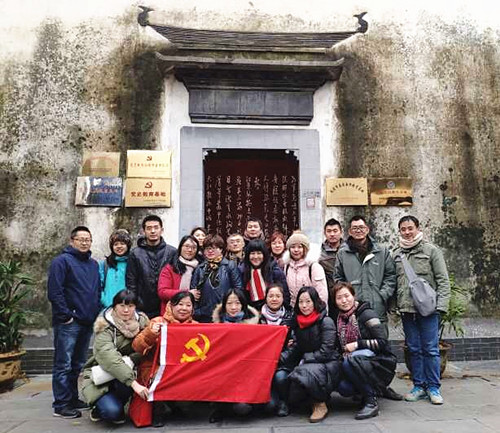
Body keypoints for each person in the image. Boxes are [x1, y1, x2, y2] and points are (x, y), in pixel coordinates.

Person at [334, 215, 401, 401]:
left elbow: (390, 276)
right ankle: (363, 388)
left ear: (367, 229)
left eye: (361, 227)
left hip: (376, 308)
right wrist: (347, 296)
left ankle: (383, 386)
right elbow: (338, 278)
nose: (358, 230)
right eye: (354, 228)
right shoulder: (343, 252)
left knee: (381, 350)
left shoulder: (381, 251)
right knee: (359, 352)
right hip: (353, 310)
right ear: (349, 231)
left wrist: (382, 295)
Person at [393, 215, 450, 405]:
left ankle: (433, 387)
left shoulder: (431, 250)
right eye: (403, 229)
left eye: (410, 228)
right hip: (407, 310)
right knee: (414, 349)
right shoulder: (396, 254)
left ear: (418, 228)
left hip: (429, 310)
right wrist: (394, 307)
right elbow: (394, 282)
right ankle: (418, 386)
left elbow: (443, 280)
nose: (407, 232)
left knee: (431, 349)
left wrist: (441, 307)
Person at [47, 226, 101, 418]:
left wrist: (94, 311)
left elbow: (95, 290)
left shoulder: (93, 264)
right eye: (81, 239)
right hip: (69, 322)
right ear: (72, 241)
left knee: (77, 364)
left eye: (88, 239)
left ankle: (72, 398)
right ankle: (61, 404)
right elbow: (55, 291)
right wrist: (66, 315)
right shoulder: (61, 261)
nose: (85, 242)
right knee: (64, 363)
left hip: (87, 321)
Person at [81, 290, 150, 424]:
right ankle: (98, 408)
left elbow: (147, 348)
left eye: (130, 306)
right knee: (112, 412)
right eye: (121, 306)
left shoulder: (142, 322)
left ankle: (119, 402)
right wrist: (134, 383)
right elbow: (110, 359)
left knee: (119, 406)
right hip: (103, 375)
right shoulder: (104, 327)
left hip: (127, 375)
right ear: (114, 306)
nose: (126, 310)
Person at [332, 282, 397, 420]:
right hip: (353, 362)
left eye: (346, 296)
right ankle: (374, 390)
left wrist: (357, 345)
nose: (344, 301)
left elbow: (382, 342)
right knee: (343, 387)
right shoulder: (337, 318)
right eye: (339, 298)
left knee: (350, 360)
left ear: (353, 296)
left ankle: (371, 400)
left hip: (378, 362)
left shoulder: (366, 313)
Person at [132, 291, 198, 427]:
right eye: (180, 304)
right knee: (161, 378)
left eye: (188, 305)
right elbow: (136, 346)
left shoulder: (196, 325)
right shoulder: (158, 322)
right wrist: (151, 334)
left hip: (183, 368)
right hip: (155, 367)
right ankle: (158, 410)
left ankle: (176, 406)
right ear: (171, 305)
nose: (184, 308)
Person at [280, 286, 340, 423]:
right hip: (309, 361)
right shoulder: (298, 322)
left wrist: (306, 358)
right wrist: (281, 358)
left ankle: (320, 403)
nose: (304, 305)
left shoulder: (326, 321)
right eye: (301, 302)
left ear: (315, 302)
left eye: (308, 301)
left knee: (304, 372)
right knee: (293, 388)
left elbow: (327, 351)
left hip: (328, 362)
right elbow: (297, 347)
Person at [210, 289, 260, 422]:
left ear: (243, 304)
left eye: (237, 303)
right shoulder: (215, 325)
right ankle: (219, 407)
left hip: (246, 373)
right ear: (224, 305)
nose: (233, 307)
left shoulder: (256, 325)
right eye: (229, 303)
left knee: (243, 408)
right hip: (223, 373)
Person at [126, 215, 176, 318]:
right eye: (149, 228)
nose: (153, 231)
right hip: (142, 307)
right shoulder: (135, 253)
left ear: (162, 230)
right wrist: (134, 303)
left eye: (156, 227)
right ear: (143, 231)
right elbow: (131, 282)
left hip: (166, 307)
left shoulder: (172, 252)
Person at [259, 284, 295, 417]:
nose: (274, 299)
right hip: (262, 363)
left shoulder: (291, 316)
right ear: (266, 298)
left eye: (278, 296)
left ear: (283, 298)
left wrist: (279, 358)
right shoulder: (257, 317)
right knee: (269, 406)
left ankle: (285, 402)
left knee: (280, 377)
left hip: (283, 362)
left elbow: (294, 345)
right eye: (271, 296)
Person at [190, 234, 243, 322]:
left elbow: (238, 289)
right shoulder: (200, 268)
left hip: (225, 314)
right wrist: (197, 311)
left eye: (214, 248)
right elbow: (194, 291)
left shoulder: (230, 266)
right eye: (207, 248)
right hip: (204, 314)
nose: (210, 251)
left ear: (221, 249)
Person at [239, 239, 290, 310]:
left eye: (259, 253)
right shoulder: (242, 271)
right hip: (251, 310)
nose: (256, 257)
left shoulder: (274, 270)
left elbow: (285, 294)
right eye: (252, 253)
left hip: (273, 310)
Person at [283, 231, 328, 308]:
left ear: (305, 249)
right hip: (293, 309)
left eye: (300, 247)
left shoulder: (313, 267)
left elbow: (322, 294)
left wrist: (320, 311)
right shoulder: (287, 266)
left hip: (311, 310)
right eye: (293, 247)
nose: (296, 250)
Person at [157, 235, 200, 315]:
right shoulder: (170, 268)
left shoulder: (201, 268)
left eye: (194, 247)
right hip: (171, 313)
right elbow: (163, 292)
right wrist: (187, 293)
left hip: (195, 314)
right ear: (180, 247)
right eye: (187, 246)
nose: (190, 250)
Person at [99, 229, 132, 308]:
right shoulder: (104, 264)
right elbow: (98, 286)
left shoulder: (132, 263)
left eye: (122, 243)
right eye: (116, 244)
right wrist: (105, 301)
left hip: (127, 308)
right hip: (107, 307)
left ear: (128, 245)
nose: (119, 246)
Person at [318, 218, 343, 306]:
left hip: (346, 293)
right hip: (329, 295)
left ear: (341, 232)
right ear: (325, 233)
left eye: (335, 231)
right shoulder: (319, 253)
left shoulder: (349, 250)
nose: (332, 234)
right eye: (329, 231)